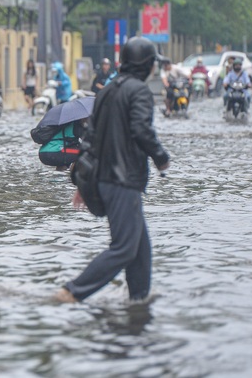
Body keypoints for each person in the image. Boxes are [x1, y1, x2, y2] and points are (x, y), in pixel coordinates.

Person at [54, 36, 171, 304]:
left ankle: (138, 300)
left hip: (104, 179)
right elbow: (142, 131)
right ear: (147, 65)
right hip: (123, 180)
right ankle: (73, 291)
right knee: (124, 248)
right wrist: (161, 158)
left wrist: (81, 182)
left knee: (140, 248)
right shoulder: (139, 92)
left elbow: (89, 139)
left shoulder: (107, 90)